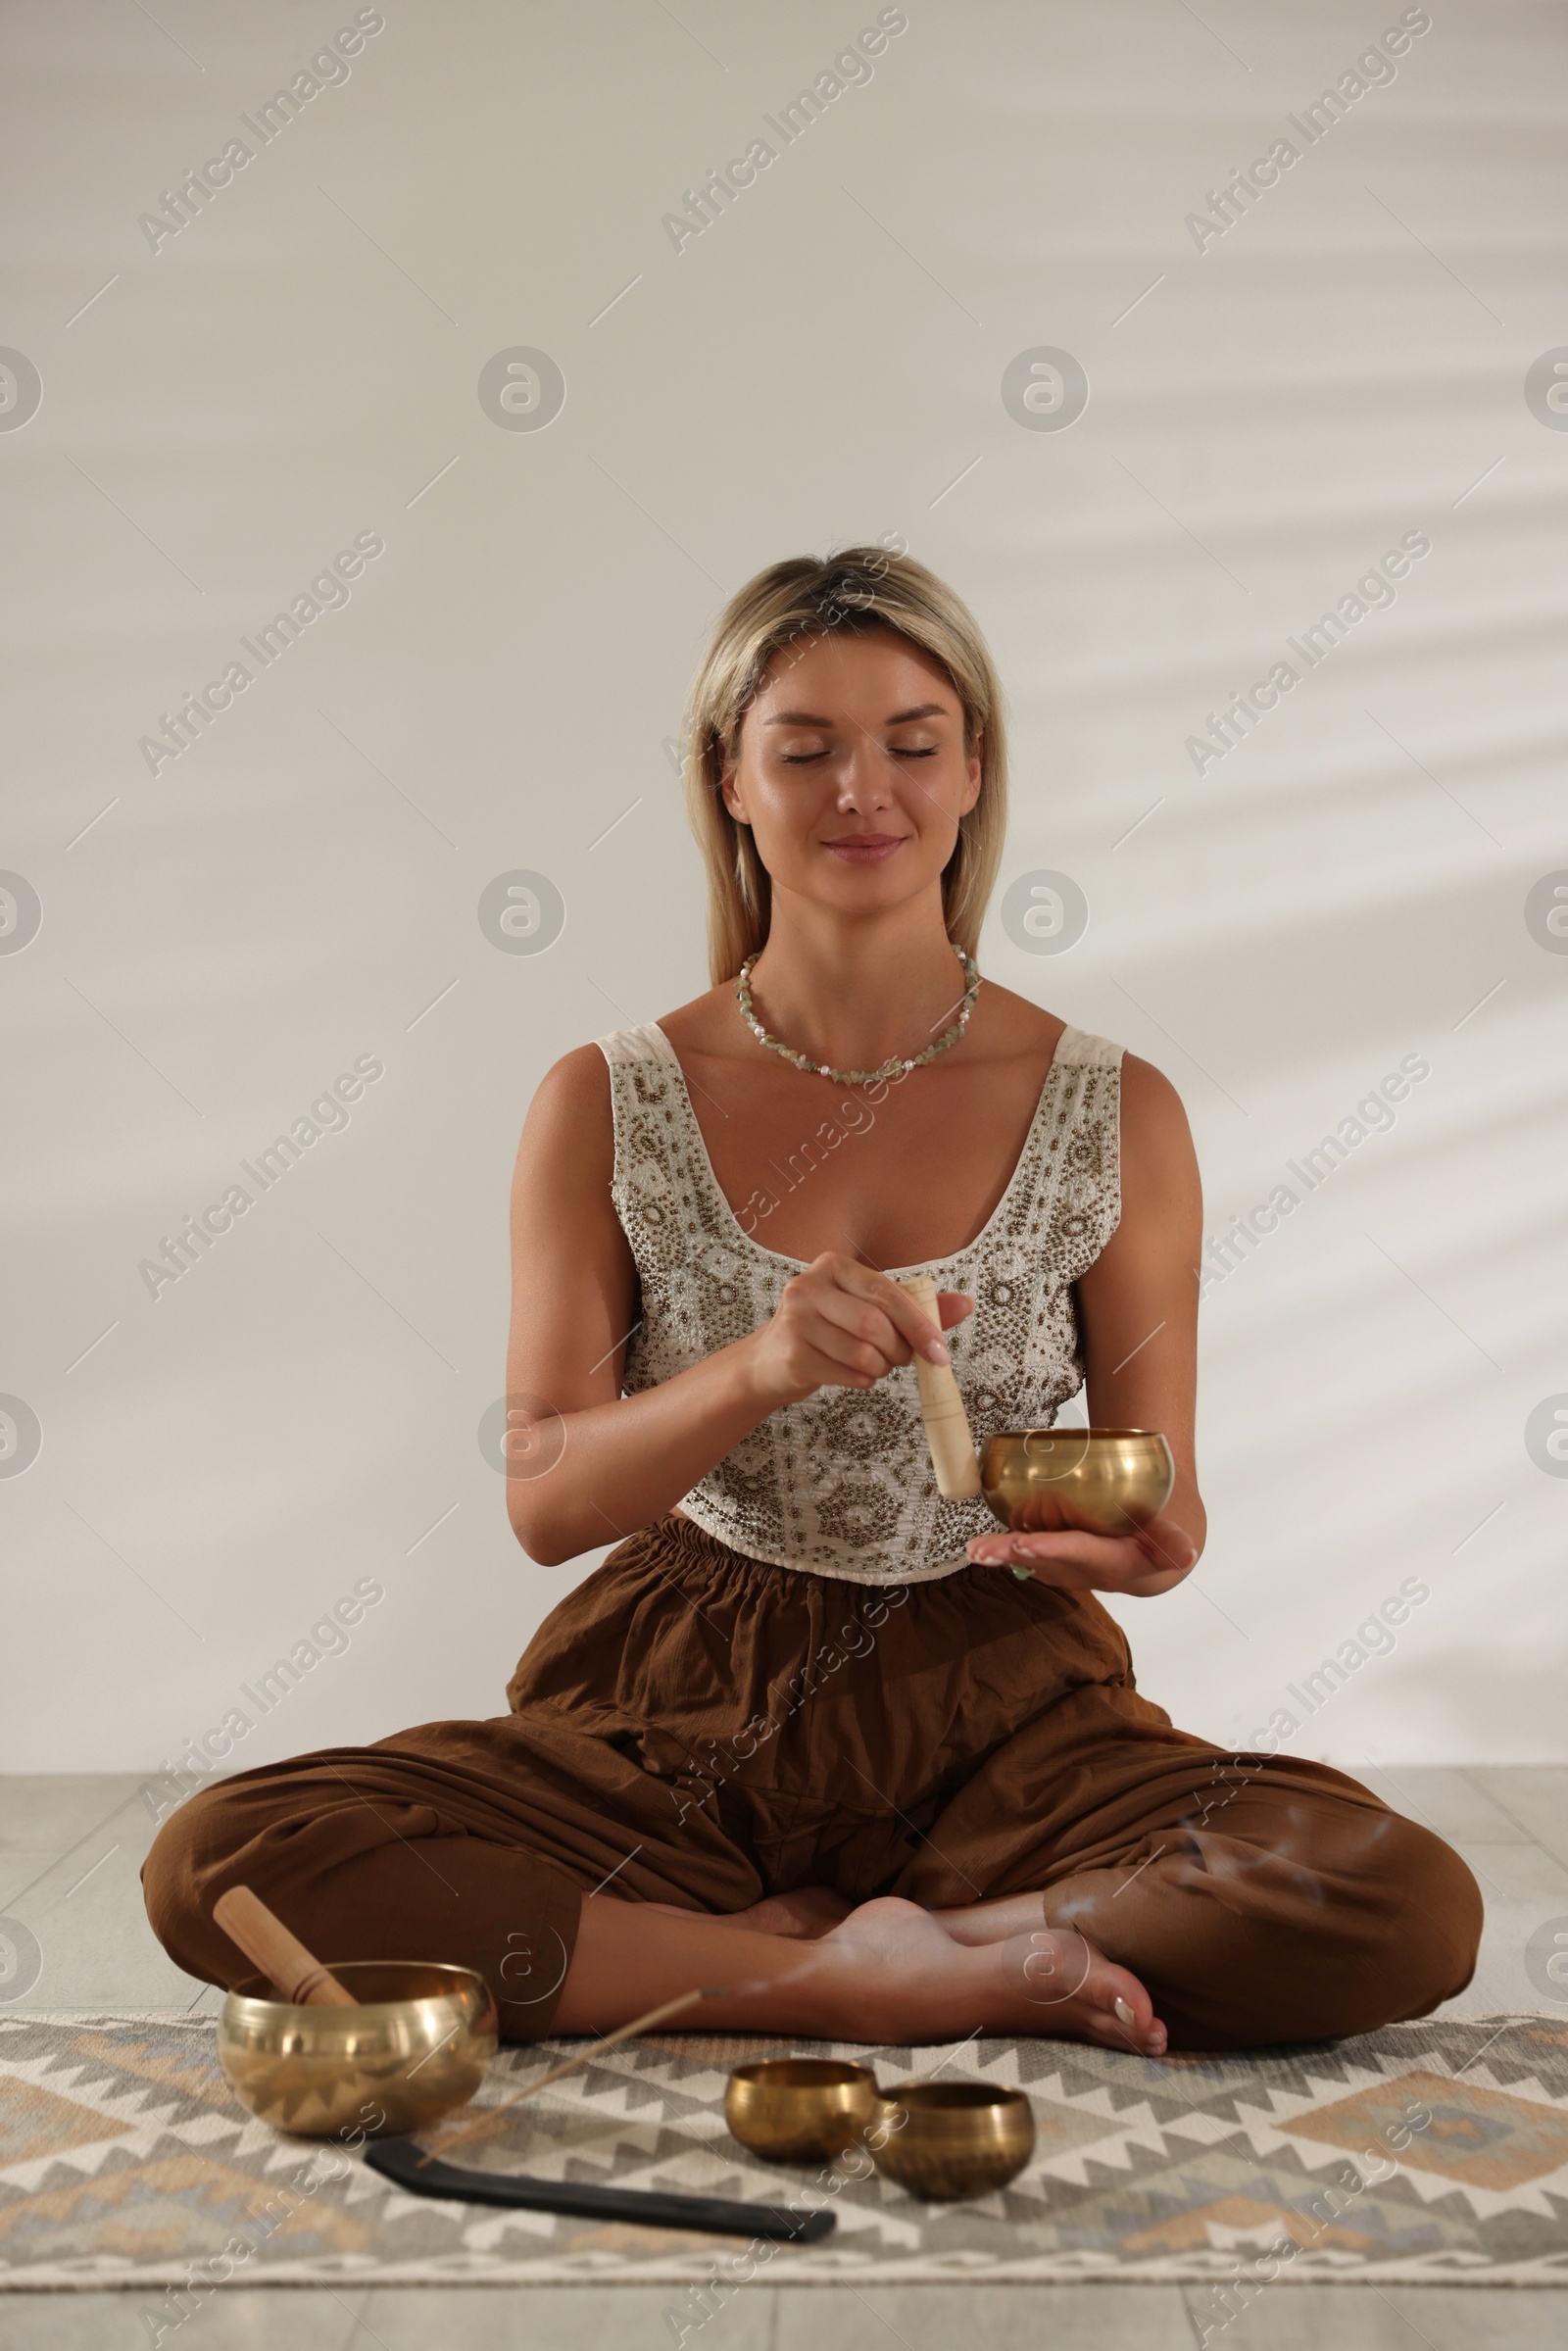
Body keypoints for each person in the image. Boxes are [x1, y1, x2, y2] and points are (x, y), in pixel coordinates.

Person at [143, 548, 1482, 2054]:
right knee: (224, 1858)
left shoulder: (1120, 1106)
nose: (865, 791)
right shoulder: (606, 1098)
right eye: (807, 749)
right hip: (674, 1710)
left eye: (913, 743)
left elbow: (1153, 1493)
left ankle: (920, 1942)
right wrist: (756, 1370)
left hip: (1006, 1718)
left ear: (975, 771)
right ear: (728, 777)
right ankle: (837, 1979)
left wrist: (1159, 1547)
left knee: (1397, 1892)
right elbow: (543, 1500)